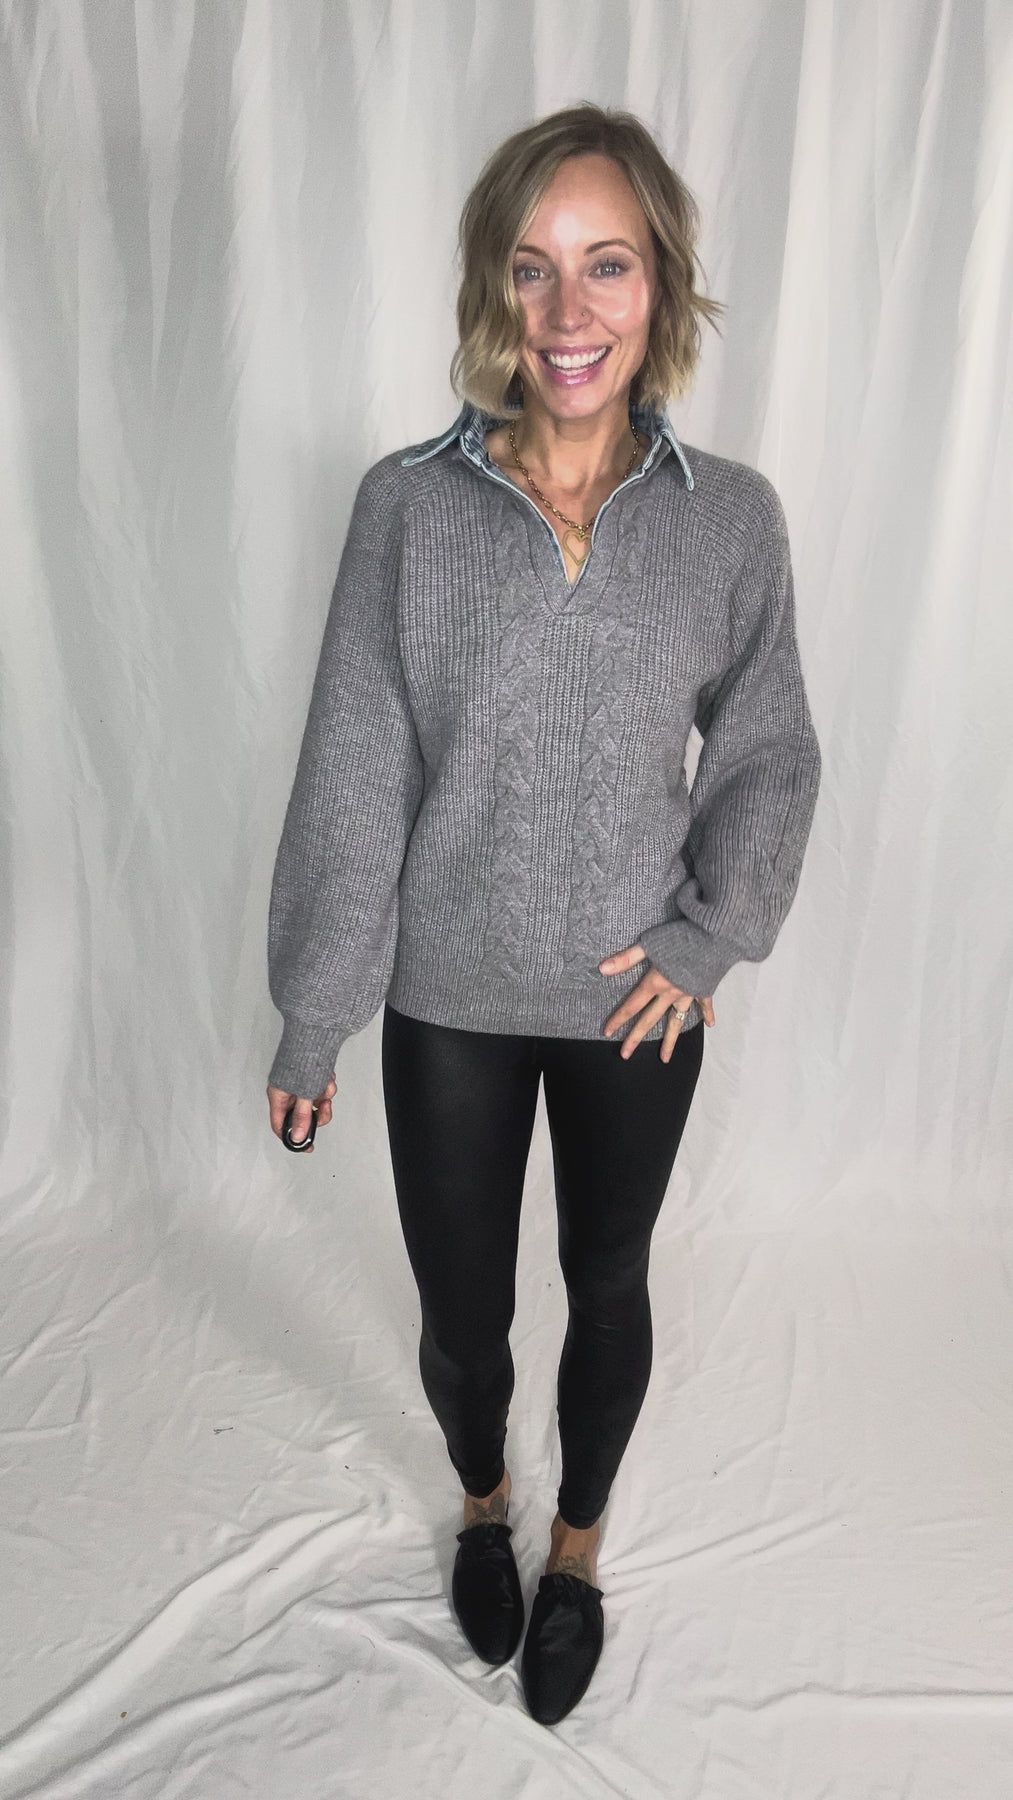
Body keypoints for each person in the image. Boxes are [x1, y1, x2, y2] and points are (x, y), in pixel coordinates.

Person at [264, 102, 821, 1726]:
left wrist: (705, 942)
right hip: (448, 994)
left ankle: (574, 1546)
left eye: (607, 265)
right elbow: (356, 764)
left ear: (662, 287)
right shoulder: (407, 507)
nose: (567, 311)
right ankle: (483, 1503)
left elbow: (770, 751)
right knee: (461, 1319)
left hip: (630, 1002)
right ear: (492, 288)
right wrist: (316, 1011)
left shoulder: (727, 518)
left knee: (609, 1281)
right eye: (532, 267)